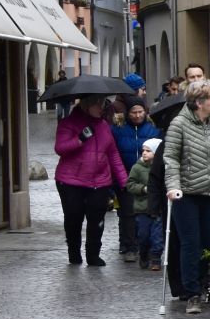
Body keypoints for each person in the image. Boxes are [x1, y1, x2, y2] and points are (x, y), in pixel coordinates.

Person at [162, 80, 210, 313]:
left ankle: (206, 283)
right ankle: (191, 292)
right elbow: (171, 157)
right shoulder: (179, 124)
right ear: (200, 102)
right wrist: (173, 185)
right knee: (191, 243)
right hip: (187, 193)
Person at [54, 96, 127, 267]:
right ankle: (74, 252)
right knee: (74, 217)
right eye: (98, 105)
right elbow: (60, 148)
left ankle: (93, 254)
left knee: (97, 219)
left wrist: (124, 180)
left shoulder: (103, 126)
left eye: (102, 104)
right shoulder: (68, 123)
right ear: (87, 106)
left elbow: (113, 154)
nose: (101, 108)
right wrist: (79, 139)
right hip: (71, 181)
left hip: (99, 181)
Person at [110, 98, 161, 262]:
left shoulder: (154, 129)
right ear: (127, 113)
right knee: (128, 213)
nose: (137, 115)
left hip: (150, 177)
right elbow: (113, 154)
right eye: (133, 112)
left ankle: (147, 246)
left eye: (140, 111)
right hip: (124, 176)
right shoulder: (118, 129)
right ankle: (130, 247)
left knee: (148, 212)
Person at [126, 140, 165, 271]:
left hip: (158, 208)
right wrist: (143, 189)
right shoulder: (137, 168)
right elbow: (130, 185)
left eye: (148, 151)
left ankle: (156, 259)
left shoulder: (163, 167)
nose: (144, 153)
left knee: (157, 236)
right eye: (143, 150)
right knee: (143, 236)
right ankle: (143, 254)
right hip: (142, 208)